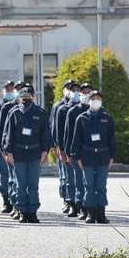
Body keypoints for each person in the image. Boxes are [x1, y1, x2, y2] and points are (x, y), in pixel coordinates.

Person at [2, 85, 50, 223]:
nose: (26, 99)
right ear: (20, 98)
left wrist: (44, 151)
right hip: (19, 153)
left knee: (33, 184)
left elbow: (45, 134)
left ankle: (33, 212)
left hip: (35, 153)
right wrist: (8, 151)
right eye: (24, 97)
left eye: (29, 97)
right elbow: (8, 134)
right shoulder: (13, 113)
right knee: (20, 184)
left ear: (33, 97)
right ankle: (23, 211)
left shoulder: (40, 113)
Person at [69, 91, 117, 224]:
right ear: (88, 101)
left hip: (103, 156)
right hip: (87, 156)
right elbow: (76, 139)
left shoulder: (107, 118)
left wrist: (112, 156)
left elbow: (111, 139)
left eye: (98, 98)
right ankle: (90, 213)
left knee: (101, 185)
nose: (96, 100)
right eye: (93, 98)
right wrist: (76, 157)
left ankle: (101, 214)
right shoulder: (82, 118)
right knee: (89, 185)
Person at [62, 82, 93, 219]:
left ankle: (91, 207)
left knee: (91, 182)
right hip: (78, 152)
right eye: (83, 92)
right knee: (78, 181)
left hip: (93, 152)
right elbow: (68, 134)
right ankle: (79, 207)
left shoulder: (99, 110)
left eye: (89, 92)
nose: (86, 95)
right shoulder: (72, 111)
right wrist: (68, 153)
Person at [50, 79, 76, 212]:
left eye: (73, 88)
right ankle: (66, 199)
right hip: (62, 147)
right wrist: (54, 146)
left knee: (74, 176)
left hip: (75, 148)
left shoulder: (80, 105)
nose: (71, 90)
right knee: (65, 176)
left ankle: (76, 201)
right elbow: (54, 127)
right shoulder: (58, 106)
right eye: (68, 88)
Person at [56, 81, 81, 214]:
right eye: (73, 90)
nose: (76, 92)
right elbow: (60, 131)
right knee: (69, 178)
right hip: (68, 148)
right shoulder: (62, 109)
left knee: (82, 179)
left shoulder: (85, 108)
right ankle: (71, 202)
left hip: (83, 150)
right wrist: (60, 149)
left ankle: (81, 203)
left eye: (78, 89)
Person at [0, 80, 15, 213]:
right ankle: (6, 200)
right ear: (3, 91)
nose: (10, 91)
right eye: (7, 89)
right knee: (4, 174)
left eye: (12, 89)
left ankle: (16, 200)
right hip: (0, 147)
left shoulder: (17, 106)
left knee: (15, 174)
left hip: (15, 147)